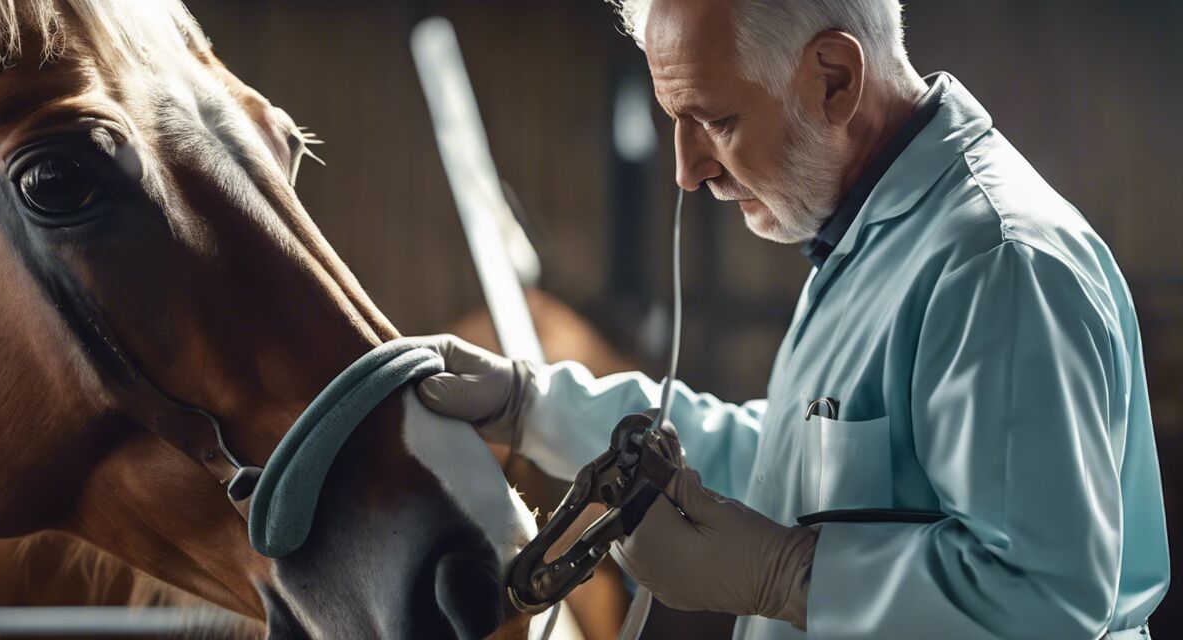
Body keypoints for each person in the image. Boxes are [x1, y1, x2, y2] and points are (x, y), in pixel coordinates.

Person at [412, 0, 1169, 637]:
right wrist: (537, 404)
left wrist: (786, 575)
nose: (688, 169)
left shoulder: (996, 263)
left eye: (715, 120)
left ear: (835, 79)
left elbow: (1045, 602)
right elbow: (796, 468)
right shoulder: (869, 235)